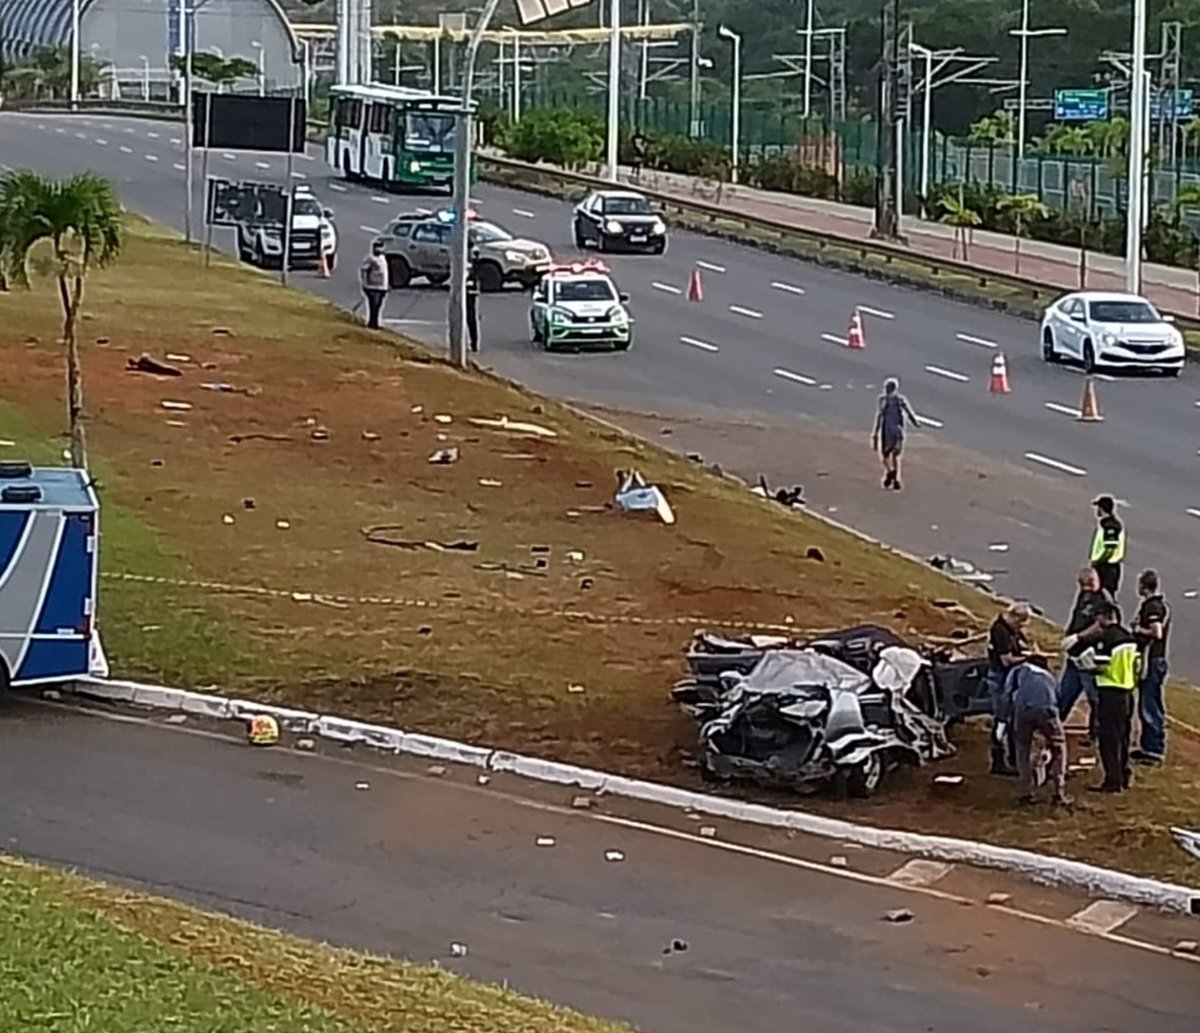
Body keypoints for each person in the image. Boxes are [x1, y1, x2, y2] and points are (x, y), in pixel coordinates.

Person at [1078, 602, 1138, 793]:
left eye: (1097, 618)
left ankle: (1112, 781)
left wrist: (1087, 667)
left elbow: (1101, 665)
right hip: (1127, 691)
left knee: (1109, 739)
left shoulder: (1107, 639)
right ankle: (1124, 773)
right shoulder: (1129, 637)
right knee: (1123, 737)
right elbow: (1137, 665)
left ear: (1104, 617)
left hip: (1111, 691)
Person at [1058, 567, 1116, 745]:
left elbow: (1101, 627)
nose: (1086, 588)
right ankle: (1053, 725)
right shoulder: (1084, 596)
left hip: (1089, 657)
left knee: (1095, 698)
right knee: (1064, 695)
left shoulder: (1102, 600)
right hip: (1074, 656)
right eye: (1083, 585)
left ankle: (1096, 735)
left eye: (1090, 584)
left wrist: (1078, 637)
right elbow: (1076, 617)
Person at [1003, 652, 1070, 807]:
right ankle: (1058, 791)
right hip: (1047, 710)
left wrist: (1003, 719)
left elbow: (1007, 694)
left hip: (1023, 711)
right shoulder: (1049, 677)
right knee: (1058, 746)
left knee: (1022, 748)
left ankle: (1025, 791)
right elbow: (1056, 699)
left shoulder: (1017, 671)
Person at [986, 602, 1032, 775]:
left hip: (1008, 678)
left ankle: (1014, 758)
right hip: (1000, 678)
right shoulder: (1000, 632)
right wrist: (1028, 659)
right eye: (1020, 623)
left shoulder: (1011, 630)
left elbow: (1022, 644)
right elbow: (1006, 660)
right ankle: (998, 761)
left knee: (1013, 719)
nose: (1020, 627)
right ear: (1014, 617)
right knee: (1002, 719)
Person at [1131, 568, 1170, 766]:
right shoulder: (1154, 605)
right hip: (1153, 660)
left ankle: (1154, 749)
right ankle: (1147, 745)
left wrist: (1138, 629)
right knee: (1147, 702)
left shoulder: (1152, 607)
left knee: (1150, 703)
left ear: (1143, 586)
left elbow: (1157, 632)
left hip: (1151, 660)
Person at [870, 377, 921, 491]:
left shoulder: (882, 400)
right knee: (896, 456)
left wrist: (875, 432)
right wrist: (915, 422)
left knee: (884, 455)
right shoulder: (900, 400)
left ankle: (890, 471)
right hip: (898, 431)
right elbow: (908, 412)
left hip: (886, 431)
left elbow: (879, 416)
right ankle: (897, 479)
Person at [1089, 495, 1126, 596]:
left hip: (1107, 569)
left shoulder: (1109, 526)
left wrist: (1097, 561)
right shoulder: (1109, 524)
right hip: (1109, 567)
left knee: (1105, 597)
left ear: (1102, 509)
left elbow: (1110, 547)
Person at [359, 239, 389, 330]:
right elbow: (363, 271)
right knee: (373, 306)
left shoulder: (383, 258)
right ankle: (372, 323)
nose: (379, 249)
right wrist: (364, 284)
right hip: (372, 287)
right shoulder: (370, 259)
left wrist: (387, 286)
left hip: (382, 287)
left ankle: (375, 322)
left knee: (378, 306)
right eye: (377, 247)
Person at [466, 249, 481, 353]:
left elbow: (476, 278)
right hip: (464, 292)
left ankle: (474, 342)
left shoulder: (474, 265)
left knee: (470, 318)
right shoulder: (462, 261)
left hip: (470, 293)